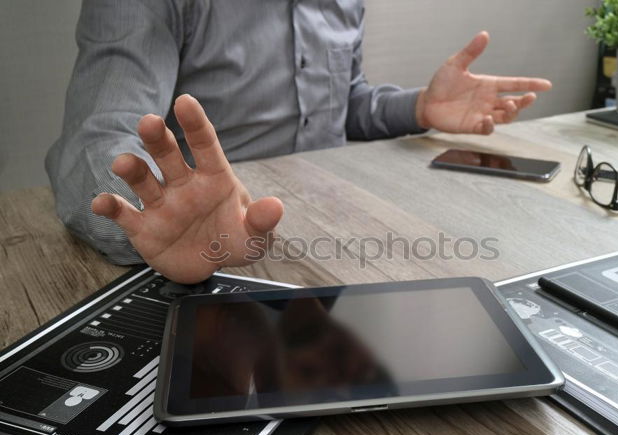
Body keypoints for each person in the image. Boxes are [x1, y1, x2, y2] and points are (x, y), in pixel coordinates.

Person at [46, 0, 552, 283]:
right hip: (218, 254)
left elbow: (341, 106)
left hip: (349, 236)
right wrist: (152, 218)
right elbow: (102, 136)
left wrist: (419, 108)